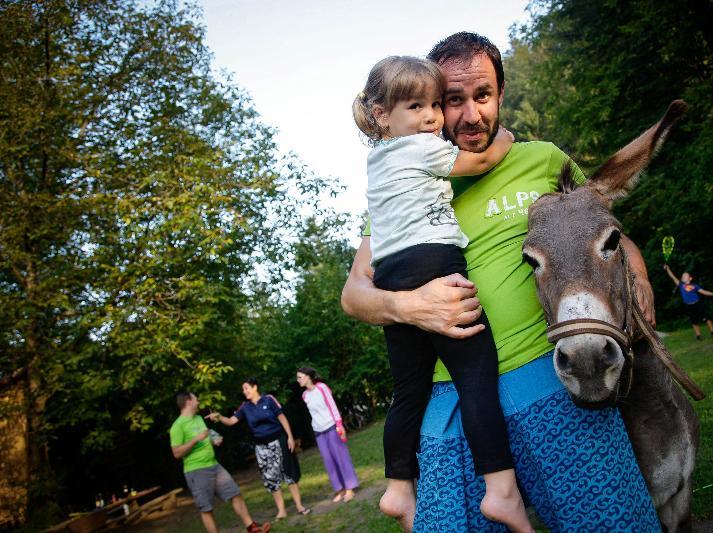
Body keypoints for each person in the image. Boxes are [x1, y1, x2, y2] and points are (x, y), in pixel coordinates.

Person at [341, 32, 662, 532]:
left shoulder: (544, 159)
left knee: (611, 521)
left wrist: (640, 284)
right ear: (431, 104)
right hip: (448, 392)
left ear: (500, 95)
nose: (470, 115)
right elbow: (354, 294)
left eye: (483, 95)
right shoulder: (403, 184)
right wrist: (412, 307)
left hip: (552, 375)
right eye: (452, 100)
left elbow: (610, 229)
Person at [351, 55, 531, 532]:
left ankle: (397, 488)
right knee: (476, 375)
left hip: (391, 272)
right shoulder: (419, 148)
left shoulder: (378, 161)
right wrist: (506, 137)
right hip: (433, 261)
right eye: (416, 105)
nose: (431, 117)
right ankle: (501, 491)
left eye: (434, 104)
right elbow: (484, 158)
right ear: (381, 115)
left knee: (408, 390)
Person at [206, 379, 311, 521]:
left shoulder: (268, 400)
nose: (244, 392)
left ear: (255, 387)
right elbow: (231, 421)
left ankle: (299, 506)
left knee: (289, 474)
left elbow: (282, 418)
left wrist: (290, 437)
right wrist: (219, 416)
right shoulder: (245, 407)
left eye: (246, 388)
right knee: (271, 479)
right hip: (261, 447)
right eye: (243, 390)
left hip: (279, 441)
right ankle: (281, 511)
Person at [169, 391, 269, 533]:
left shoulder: (198, 418)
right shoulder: (177, 426)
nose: (198, 402)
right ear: (188, 402)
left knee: (235, 494)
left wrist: (213, 440)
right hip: (196, 471)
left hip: (214, 465)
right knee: (206, 508)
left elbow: (205, 436)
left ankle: (251, 527)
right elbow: (177, 453)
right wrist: (195, 439)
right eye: (196, 399)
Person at [296, 367, 359, 502]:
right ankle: (340, 489)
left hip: (331, 426)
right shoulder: (305, 395)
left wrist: (339, 424)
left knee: (340, 457)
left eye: (300, 377)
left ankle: (349, 488)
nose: (298, 380)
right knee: (328, 461)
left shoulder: (322, 388)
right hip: (318, 431)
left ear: (308, 377)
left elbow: (332, 405)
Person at [663, 264, 713, 339]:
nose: (683, 276)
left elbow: (704, 292)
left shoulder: (694, 286)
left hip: (697, 304)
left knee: (706, 318)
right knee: (694, 321)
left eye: (685, 275)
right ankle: (698, 336)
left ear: (690, 278)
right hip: (688, 306)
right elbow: (672, 277)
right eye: (682, 276)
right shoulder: (681, 285)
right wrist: (667, 269)